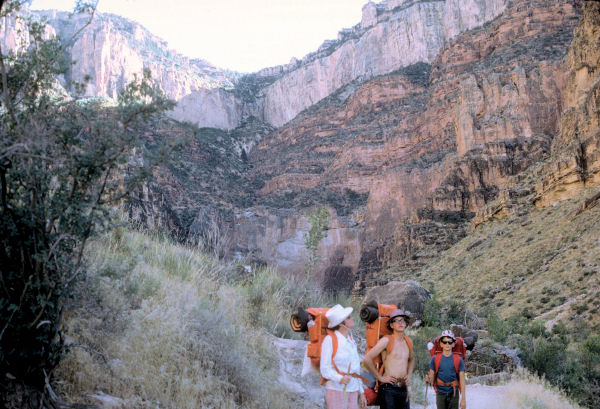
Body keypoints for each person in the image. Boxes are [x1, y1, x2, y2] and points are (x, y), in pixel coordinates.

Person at [362, 309, 414, 409]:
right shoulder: (386, 340)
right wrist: (380, 378)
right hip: (388, 389)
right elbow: (366, 359)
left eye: (402, 320)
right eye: (397, 321)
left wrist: (410, 375)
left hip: (403, 388)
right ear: (391, 325)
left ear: (406, 323)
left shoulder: (408, 341)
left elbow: (411, 359)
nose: (400, 323)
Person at [320, 304, 367, 409]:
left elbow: (356, 369)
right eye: (349, 317)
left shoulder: (351, 340)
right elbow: (324, 368)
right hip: (336, 390)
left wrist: (362, 392)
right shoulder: (329, 340)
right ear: (341, 323)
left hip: (353, 390)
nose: (353, 318)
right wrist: (340, 378)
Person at [425, 330, 466, 409]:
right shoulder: (435, 359)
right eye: (444, 342)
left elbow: (462, 380)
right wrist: (428, 379)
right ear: (441, 344)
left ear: (453, 344)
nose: (447, 344)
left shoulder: (458, 359)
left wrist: (463, 399)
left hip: (454, 393)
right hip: (440, 393)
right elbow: (432, 377)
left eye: (450, 342)